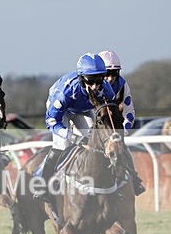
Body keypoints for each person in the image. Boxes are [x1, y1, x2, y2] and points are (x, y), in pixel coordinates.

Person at [42, 53, 145, 197]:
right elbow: (52, 122)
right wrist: (71, 136)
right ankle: (42, 182)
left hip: (83, 110)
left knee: (97, 141)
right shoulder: (63, 93)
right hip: (62, 112)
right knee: (63, 144)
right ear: (81, 78)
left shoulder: (106, 89)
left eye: (99, 80)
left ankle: (113, 183)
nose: (95, 86)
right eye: (91, 81)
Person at [98, 50, 136, 132]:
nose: (110, 78)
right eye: (107, 73)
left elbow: (129, 114)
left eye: (114, 73)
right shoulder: (90, 84)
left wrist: (123, 134)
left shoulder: (122, 85)